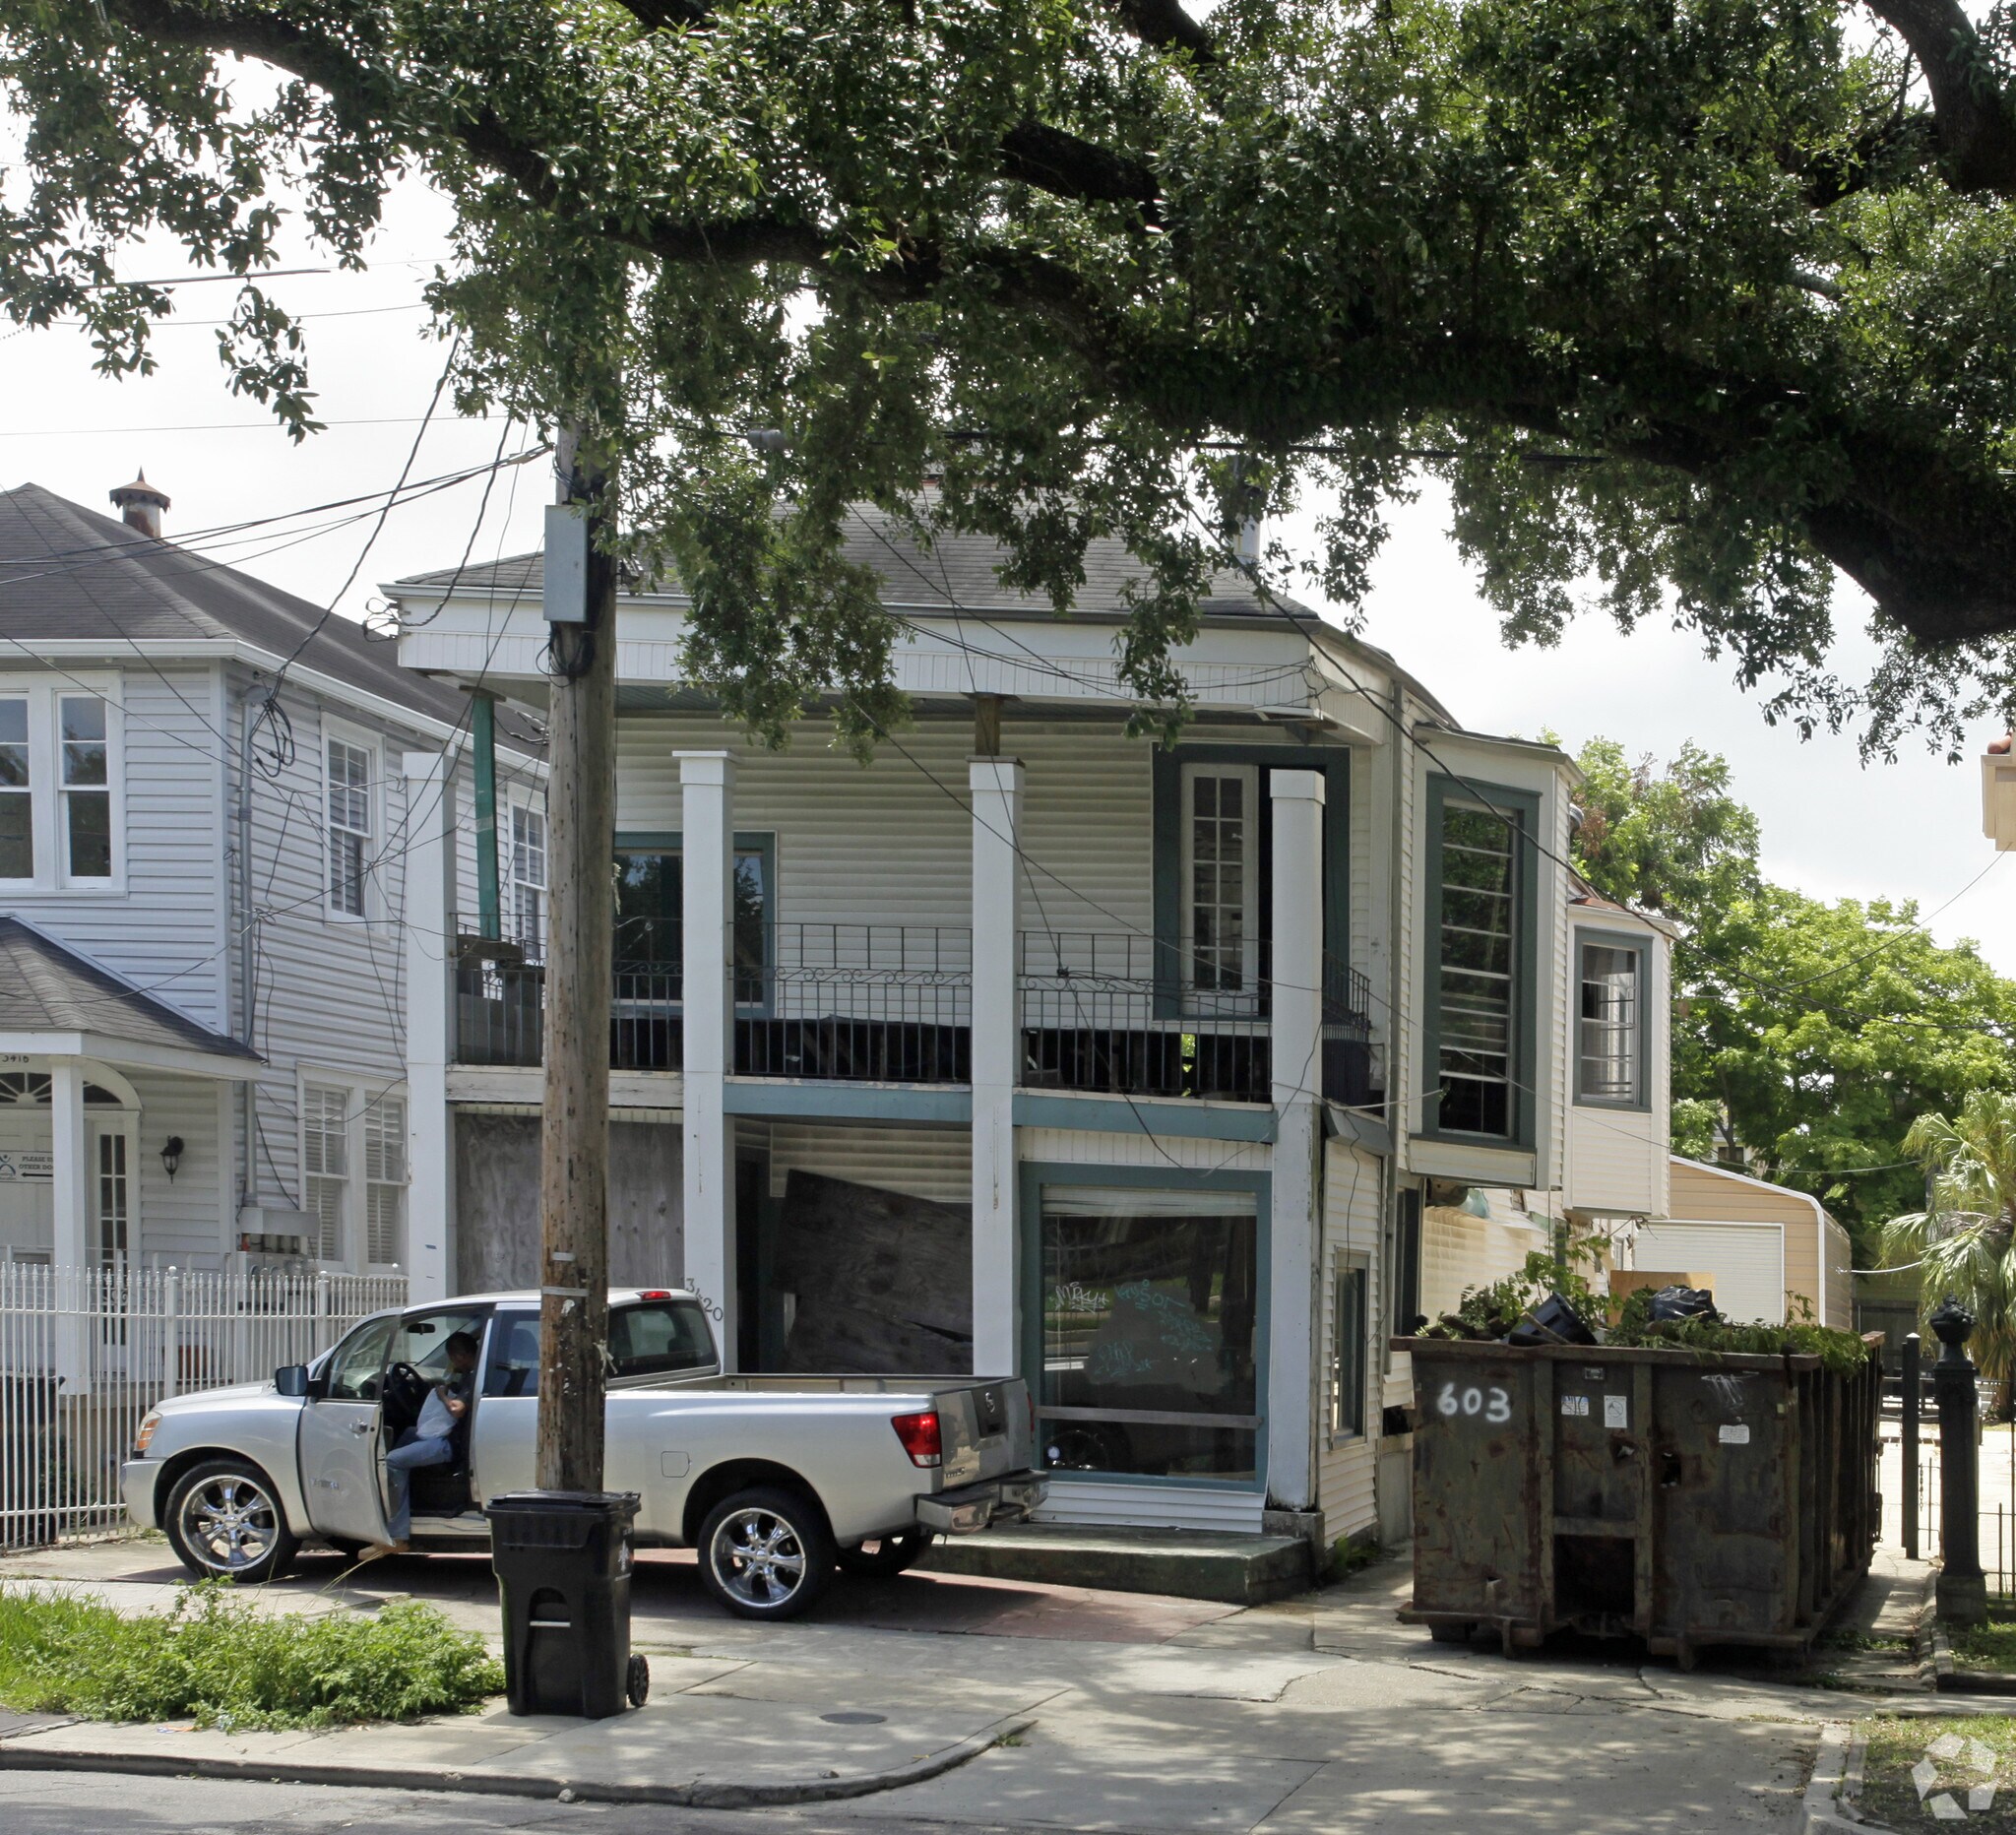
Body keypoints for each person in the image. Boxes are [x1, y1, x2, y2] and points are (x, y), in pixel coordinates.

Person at [379, 1330, 479, 1551]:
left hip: (447, 1445)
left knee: (393, 1461)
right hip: (446, 1435)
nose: (452, 1363)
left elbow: (457, 1409)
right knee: (408, 1433)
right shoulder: (467, 1374)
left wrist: (442, 1394)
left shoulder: (472, 1377)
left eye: (452, 1358)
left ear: (460, 1357)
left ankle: (398, 1535)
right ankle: (395, 1491)